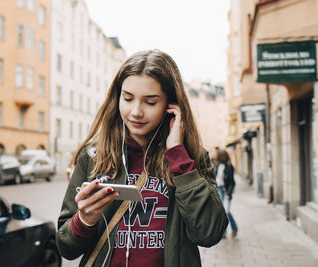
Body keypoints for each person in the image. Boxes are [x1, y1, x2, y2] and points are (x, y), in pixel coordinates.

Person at [56, 49, 228, 267]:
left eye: (150, 102)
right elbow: (66, 248)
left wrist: (178, 157)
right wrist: (84, 220)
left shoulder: (190, 158)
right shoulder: (92, 157)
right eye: (128, 98)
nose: (136, 111)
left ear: (171, 105)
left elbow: (209, 233)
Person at [215, 149, 238, 238]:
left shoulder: (229, 166)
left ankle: (234, 228)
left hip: (226, 190)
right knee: (222, 212)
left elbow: (232, 182)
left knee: (227, 211)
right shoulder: (217, 165)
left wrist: (229, 193)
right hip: (219, 190)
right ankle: (223, 234)